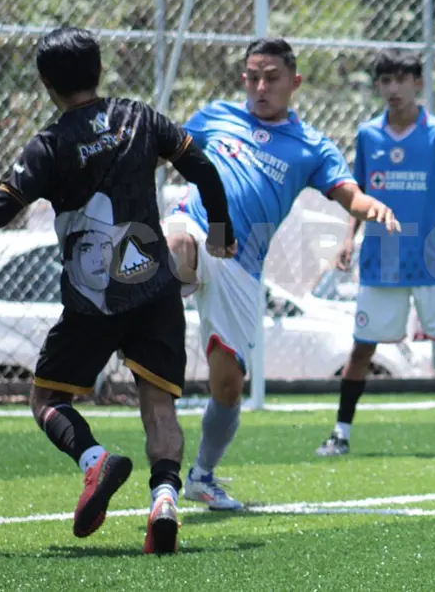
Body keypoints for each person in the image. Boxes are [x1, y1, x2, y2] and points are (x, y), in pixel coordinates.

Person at [0, 26, 236, 553]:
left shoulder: (50, 144)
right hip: (154, 286)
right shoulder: (140, 118)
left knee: (47, 398)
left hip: (92, 299)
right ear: (99, 70)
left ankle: (95, 461)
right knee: (159, 408)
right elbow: (202, 165)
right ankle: (164, 497)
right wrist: (220, 227)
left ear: (46, 82)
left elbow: (1, 208)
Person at [165, 37, 400, 511]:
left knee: (228, 389)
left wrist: (368, 206)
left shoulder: (312, 146)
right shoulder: (214, 116)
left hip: (242, 266)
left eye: (271, 77)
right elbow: (167, 151)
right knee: (176, 241)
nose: (260, 86)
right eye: (252, 77)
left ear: (294, 82)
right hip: (198, 223)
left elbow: (348, 193)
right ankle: (168, 297)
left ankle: (203, 476)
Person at [316, 48, 435, 457]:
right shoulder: (368, 134)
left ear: (417, 84)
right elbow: (357, 194)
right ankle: (340, 433)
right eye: (385, 81)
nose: (393, 89)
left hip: (432, 260)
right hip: (382, 260)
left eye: (401, 80)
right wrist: (347, 238)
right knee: (362, 348)